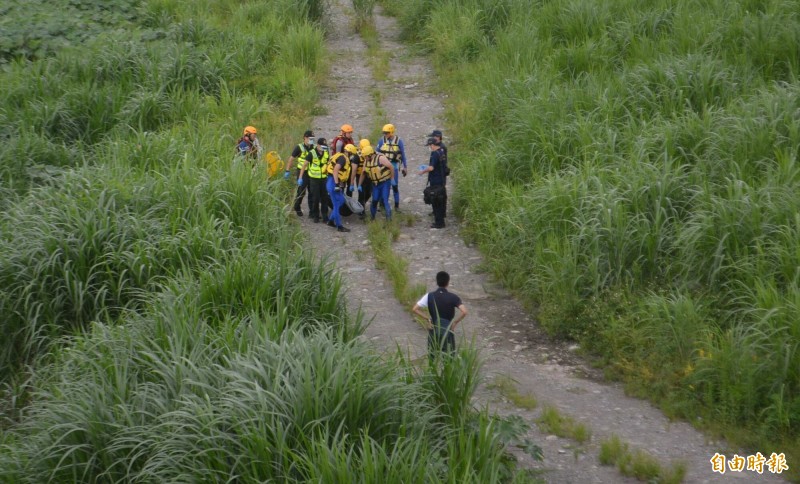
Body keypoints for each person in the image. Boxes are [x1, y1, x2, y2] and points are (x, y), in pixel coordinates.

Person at [412, 271, 468, 362]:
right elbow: (464, 311)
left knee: (432, 358)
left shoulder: (429, 296)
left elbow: (415, 309)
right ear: (448, 282)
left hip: (434, 329)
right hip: (447, 330)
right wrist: (455, 322)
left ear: (437, 282)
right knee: (449, 359)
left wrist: (428, 318)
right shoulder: (453, 297)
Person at [357, 145, 394, 222]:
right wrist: (359, 185)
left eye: (365, 156)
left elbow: (391, 167)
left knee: (384, 200)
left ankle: (389, 220)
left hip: (384, 182)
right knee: (374, 200)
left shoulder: (380, 158)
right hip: (375, 184)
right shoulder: (366, 161)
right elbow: (363, 173)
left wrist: (392, 179)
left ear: (370, 155)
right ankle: (372, 218)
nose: (364, 158)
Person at [376, 124, 407, 211]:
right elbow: (376, 153)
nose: (385, 134)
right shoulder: (382, 141)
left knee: (395, 186)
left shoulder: (398, 141)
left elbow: (403, 155)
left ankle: (396, 206)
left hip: (394, 166)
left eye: (387, 133)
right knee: (383, 185)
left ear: (391, 132)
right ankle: (381, 204)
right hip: (383, 166)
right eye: (384, 133)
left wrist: (405, 167)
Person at [299, 138, 330, 223]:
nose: (324, 148)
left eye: (325, 146)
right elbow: (304, 165)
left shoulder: (326, 153)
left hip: (324, 179)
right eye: (322, 146)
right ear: (318, 145)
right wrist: (300, 177)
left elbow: (328, 164)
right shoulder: (311, 153)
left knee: (325, 198)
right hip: (314, 180)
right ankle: (315, 215)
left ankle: (325, 216)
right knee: (315, 198)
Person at [325, 144, 354, 233]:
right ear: (349, 153)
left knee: (341, 201)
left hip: (331, 181)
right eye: (352, 154)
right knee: (337, 204)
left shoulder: (339, 156)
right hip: (333, 182)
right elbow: (335, 170)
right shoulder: (343, 159)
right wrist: (337, 184)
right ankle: (339, 226)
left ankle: (330, 221)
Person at [419, 137, 447, 228]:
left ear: (432, 145)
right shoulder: (442, 152)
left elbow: (431, 168)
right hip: (442, 181)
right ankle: (441, 219)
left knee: (436, 201)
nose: (430, 147)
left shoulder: (435, 154)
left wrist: (422, 171)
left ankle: (439, 223)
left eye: (430, 146)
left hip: (435, 181)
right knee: (441, 200)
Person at [286, 130, 315, 217]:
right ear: (305, 138)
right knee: (301, 191)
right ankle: (297, 206)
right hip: (302, 172)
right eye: (310, 138)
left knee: (312, 191)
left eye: (313, 138)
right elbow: (291, 159)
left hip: (312, 172)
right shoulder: (299, 147)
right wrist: (287, 170)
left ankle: (312, 211)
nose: (312, 140)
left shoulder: (314, 147)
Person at [352, 138, 373, 219]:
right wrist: (352, 183)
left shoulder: (371, 154)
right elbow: (354, 170)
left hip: (369, 176)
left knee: (368, 193)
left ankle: (362, 204)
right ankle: (361, 211)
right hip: (359, 176)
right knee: (361, 194)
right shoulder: (357, 157)